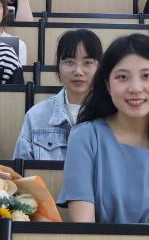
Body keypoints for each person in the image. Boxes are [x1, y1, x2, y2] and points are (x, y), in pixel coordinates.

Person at [60, 34, 149, 225]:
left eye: (146, 76)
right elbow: (84, 226)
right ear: (108, 85)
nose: (135, 88)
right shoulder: (85, 137)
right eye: (122, 77)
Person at [14, 30, 102, 160]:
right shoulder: (36, 116)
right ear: (58, 66)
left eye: (88, 62)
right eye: (69, 62)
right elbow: (20, 170)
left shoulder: (112, 116)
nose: (78, 71)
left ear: (100, 68)